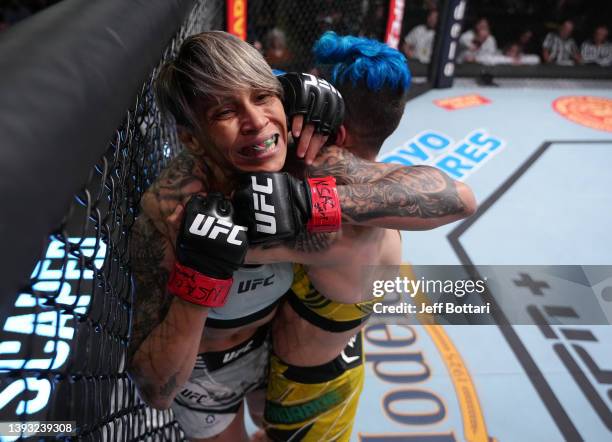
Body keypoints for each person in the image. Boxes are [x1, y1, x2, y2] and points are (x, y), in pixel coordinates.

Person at [127, 30, 476, 442]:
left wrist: (313, 203)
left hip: (269, 353)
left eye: (262, 96)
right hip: (205, 372)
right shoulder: (169, 213)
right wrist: (197, 284)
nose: (256, 123)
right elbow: (156, 391)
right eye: (225, 112)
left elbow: (456, 197)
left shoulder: (299, 157)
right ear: (191, 138)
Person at [256, 31, 465, 441]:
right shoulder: (380, 181)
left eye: (307, 113)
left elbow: (224, 245)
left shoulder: (344, 234)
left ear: (335, 133)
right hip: (321, 361)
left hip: (310, 396)